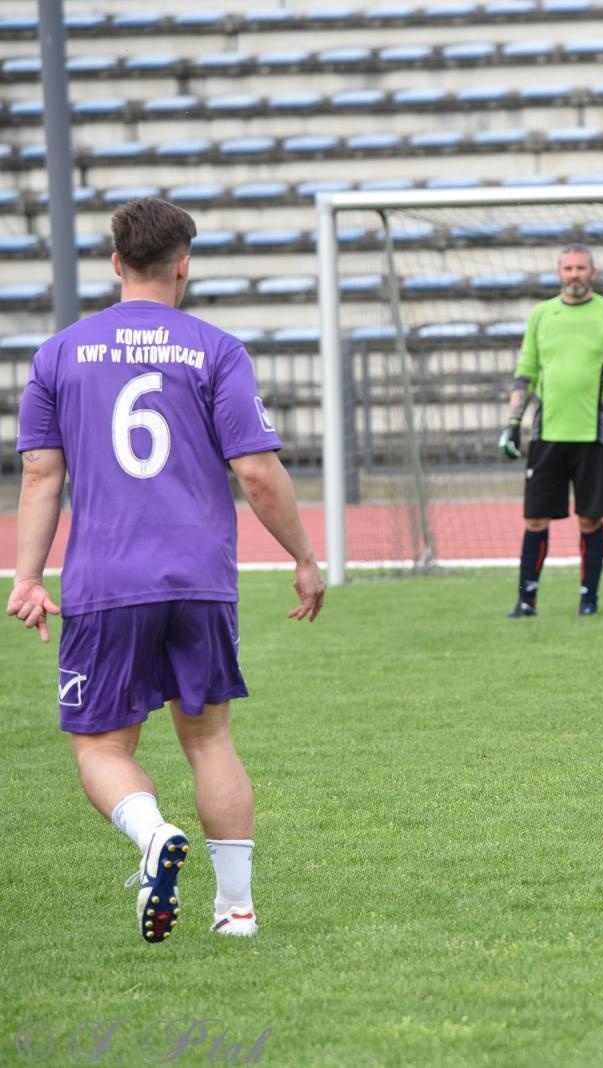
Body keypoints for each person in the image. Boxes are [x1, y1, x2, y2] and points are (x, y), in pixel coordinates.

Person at [7, 196, 326, 944]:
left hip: (105, 582)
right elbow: (256, 470)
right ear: (184, 265)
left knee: (103, 747)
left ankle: (152, 834)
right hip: (200, 580)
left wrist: (27, 577)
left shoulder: (59, 352)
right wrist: (305, 560)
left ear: (116, 263)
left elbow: (39, 475)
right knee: (210, 738)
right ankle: (237, 911)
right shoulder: (216, 348)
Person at [498, 243, 603, 618]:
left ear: (592, 273)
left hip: (595, 435)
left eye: (581, 268)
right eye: (568, 268)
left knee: (590, 519)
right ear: (558, 273)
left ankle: (588, 599)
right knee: (534, 518)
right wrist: (513, 423)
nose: (574, 274)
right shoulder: (542, 315)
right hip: (546, 433)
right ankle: (527, 600)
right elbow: (525, 372)